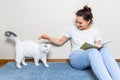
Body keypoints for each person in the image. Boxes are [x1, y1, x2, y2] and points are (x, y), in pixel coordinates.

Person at [38, 5, 120, 80]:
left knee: (104, 49)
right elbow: (60, 41)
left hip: (91, 58)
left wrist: (98, 45)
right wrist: (48, 37)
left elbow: (98, 44)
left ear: (88, 21)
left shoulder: (95, 31)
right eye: (76, 22)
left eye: (80, 22)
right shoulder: (72, 30)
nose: (77, 24)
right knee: (93, 51)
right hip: (76, 57)